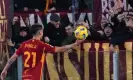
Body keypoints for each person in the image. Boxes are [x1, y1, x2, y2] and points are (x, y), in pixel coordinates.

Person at [0, 24, 83, 80]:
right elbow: (61, 48)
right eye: (42, 31)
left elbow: (13, 58)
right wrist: (74, 44)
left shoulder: (24, 44)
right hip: (36, 77)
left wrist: (5, 69)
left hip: (25, 77)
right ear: (40, 32)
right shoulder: (42, 45)